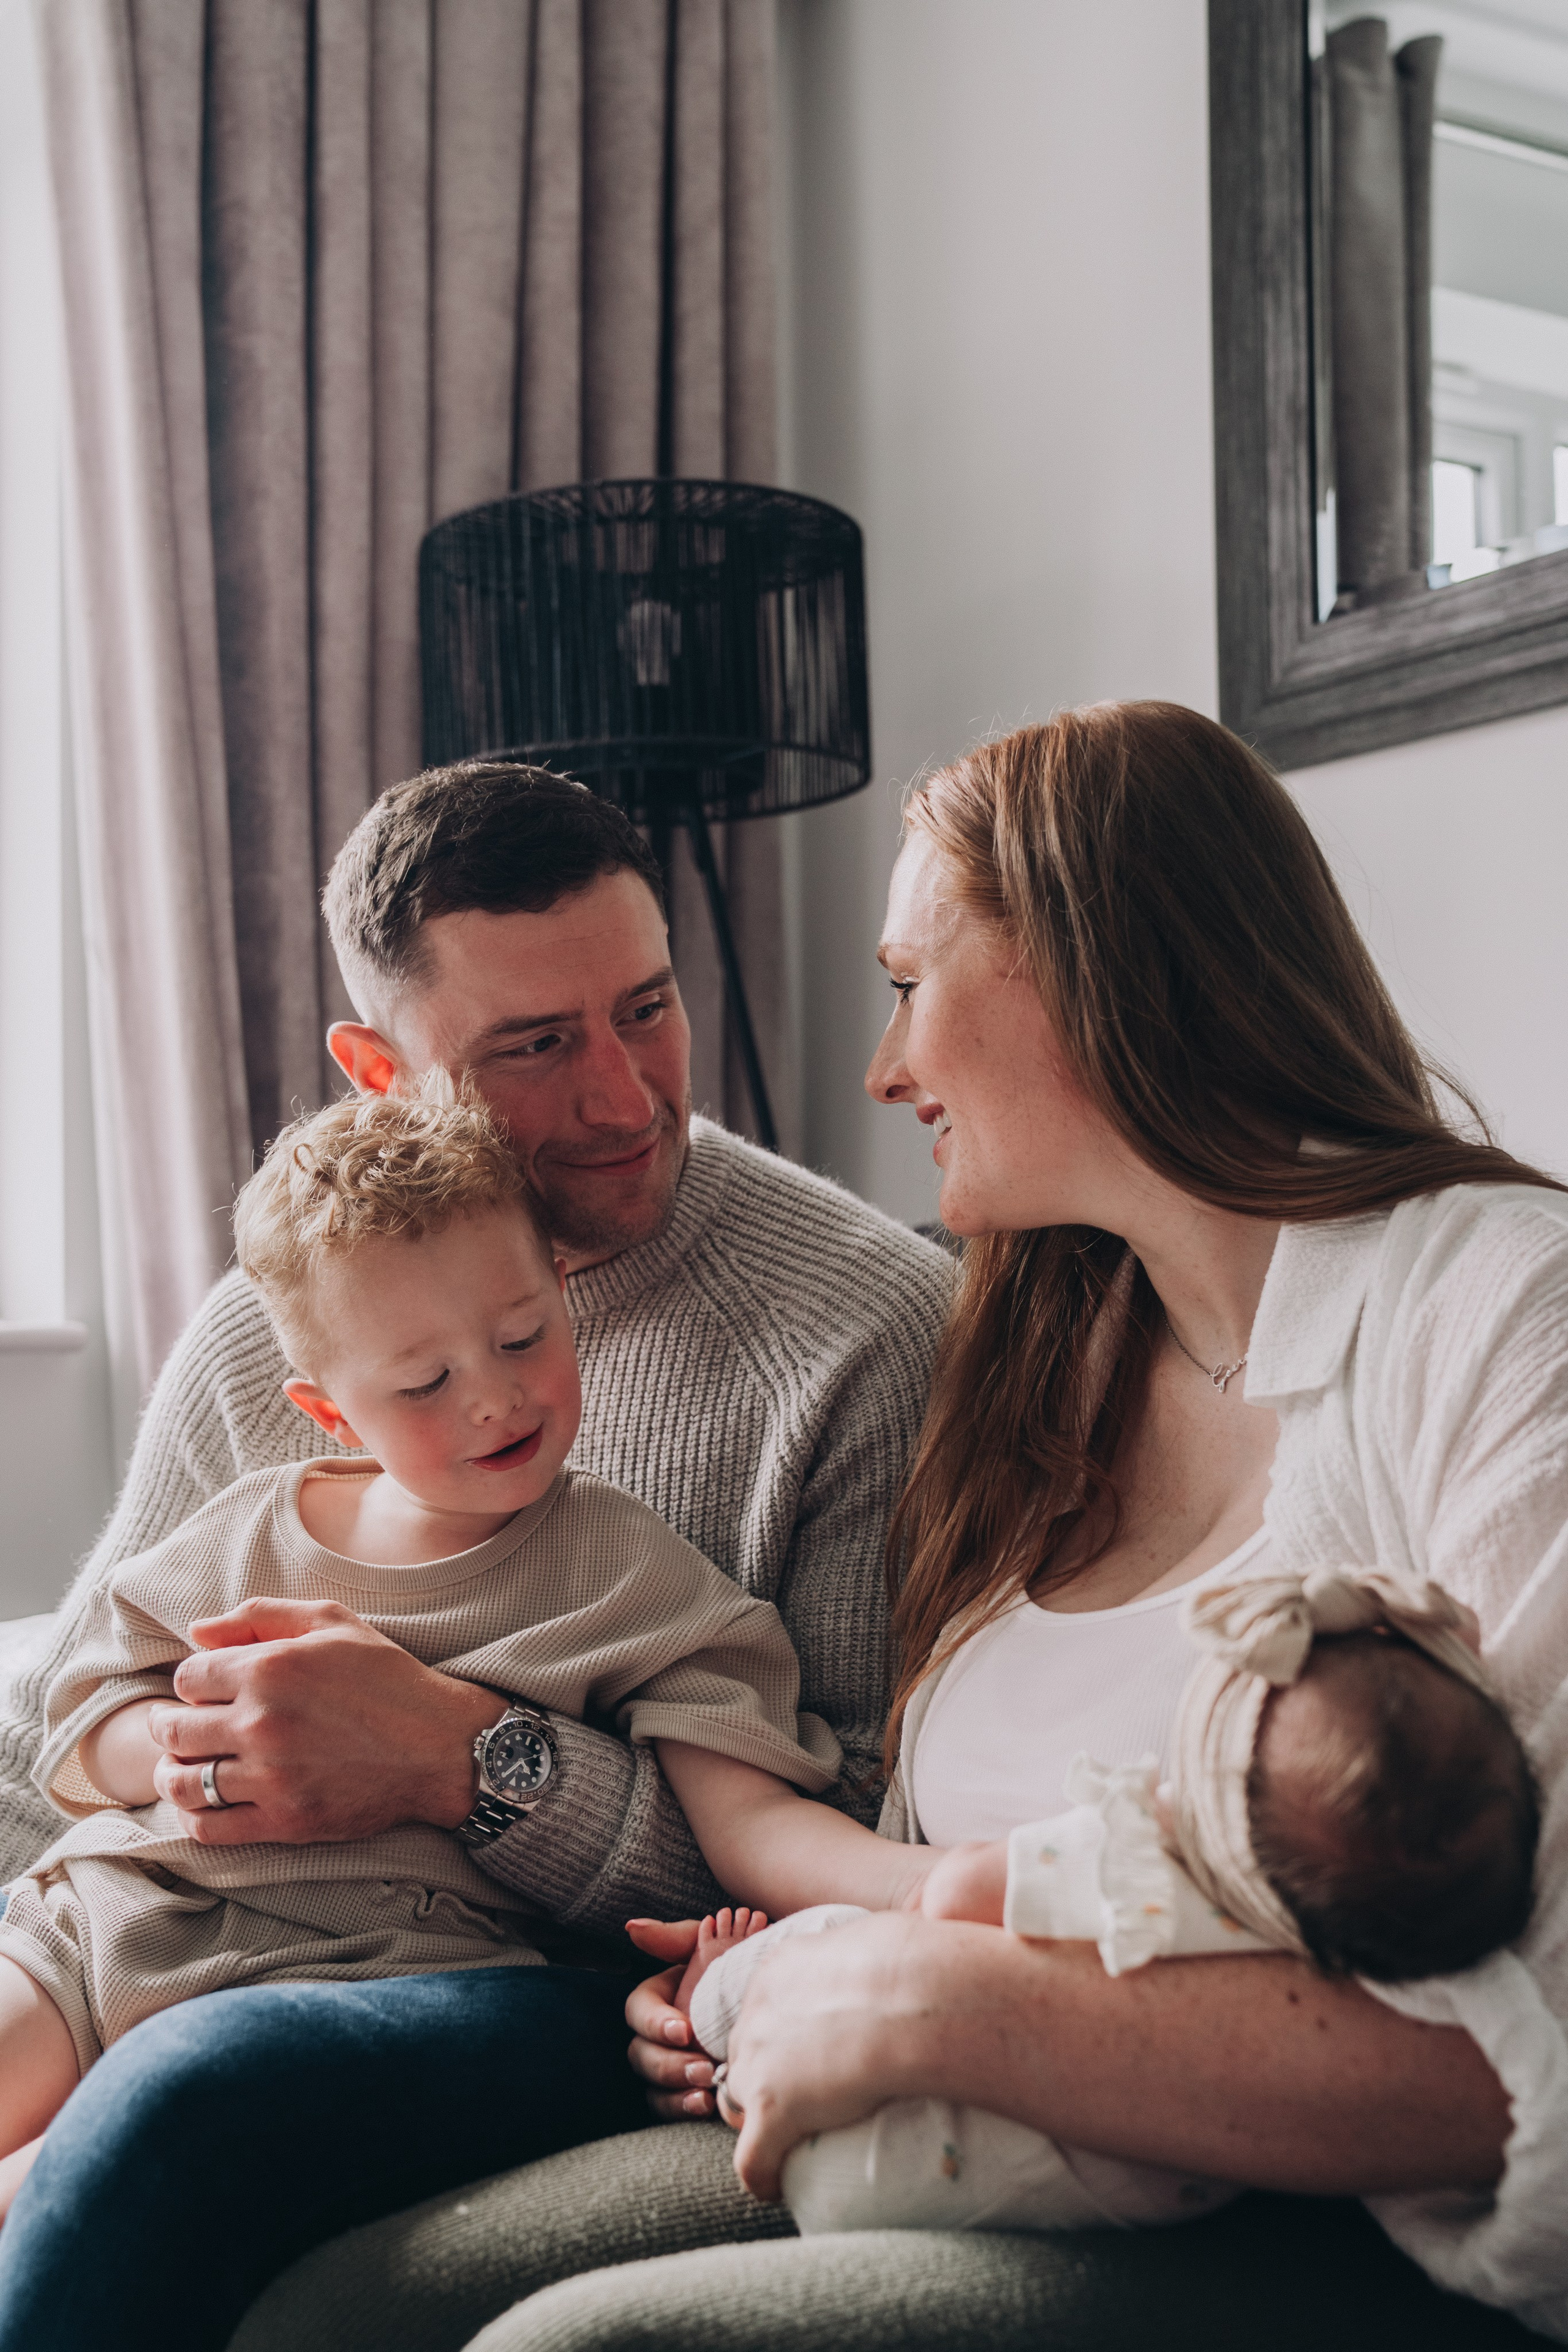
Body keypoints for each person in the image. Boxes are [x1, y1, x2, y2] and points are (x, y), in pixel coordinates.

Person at [229, 701, 1568, 2352]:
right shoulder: (1052, 1348)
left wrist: (940, 2001)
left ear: (1098, 977)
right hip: (934, 2105)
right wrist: (761, 1971)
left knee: (566, 2350)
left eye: (910, 989)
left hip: (1320, 2216)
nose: (883, 1068)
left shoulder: (1502, 1306)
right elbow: (895, 1838)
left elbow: (1538, 2041)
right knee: (333, 2307)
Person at [0, 764, 951, 2351]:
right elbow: (60, 1720)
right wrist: (155, 1779)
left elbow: (826, 1823)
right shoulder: (282, 1326)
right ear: (384, 1073)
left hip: (505, 1981)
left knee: (176, 2102)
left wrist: (467, 1763)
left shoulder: (863, 1333)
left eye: (649, 1009)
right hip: (162, 1912)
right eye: (535, 1046)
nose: (627, 1098)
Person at [0, 1087, 840, 2211]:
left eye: (522, 1337)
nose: (494, 1398)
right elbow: (81, 1704)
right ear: (332, 1412)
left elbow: (742, 1822)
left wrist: (894, 1894)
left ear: (562, 1298)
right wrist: (184, 1748)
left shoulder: (630, 1572)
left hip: (364, 1972)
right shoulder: (252, 1527)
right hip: (113, 1918)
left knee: (48, 2192)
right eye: (426, 1383)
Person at [671, 1562, 1540, 2237]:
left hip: (888, 2145)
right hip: (1160, 2189)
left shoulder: (1146, 1861)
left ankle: (709, 2004)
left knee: (829, 1941)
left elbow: (955, 1895)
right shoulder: (1324, 1946)